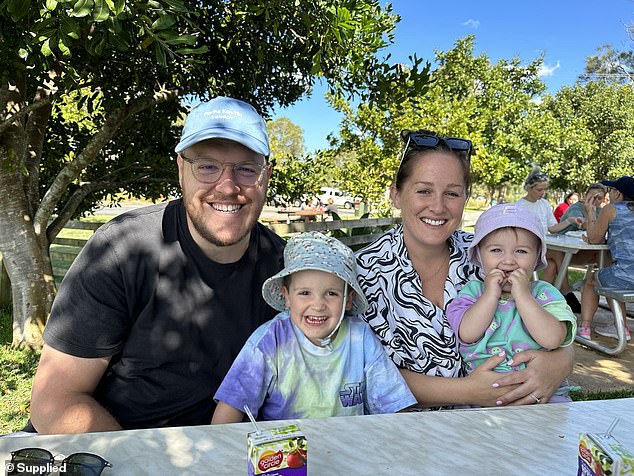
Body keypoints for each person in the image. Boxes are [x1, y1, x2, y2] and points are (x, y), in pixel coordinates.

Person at [28, 96, 286, 433]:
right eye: (207, 166)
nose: (227, 186)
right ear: (181, 169)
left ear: (266, 175)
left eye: (246, 169)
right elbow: (55, 402)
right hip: (107, 450)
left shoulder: (285, 270)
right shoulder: (120, 250)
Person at [355, 130, 574, 408]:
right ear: (396, 195)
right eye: (424, 190)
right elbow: (353, 368)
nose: (437, 206)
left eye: (452, 193)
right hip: (409, 428)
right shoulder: (363, 272)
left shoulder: (489, 253)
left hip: (506, 424)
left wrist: (559, 362)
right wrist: (466, 392)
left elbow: (546, 316)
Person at [211, 232, 416, 423]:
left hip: (351, 449)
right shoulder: (270, 340)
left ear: (348, 300)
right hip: (284, 454)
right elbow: (230, 407)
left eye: (332, 293)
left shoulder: (360, 337)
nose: (318, 305)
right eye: (305, 293)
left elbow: (395, 406)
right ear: (287, 296)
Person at [445, 204, 577, 403]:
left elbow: (552, 339)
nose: (508, 261)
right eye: (496, 250)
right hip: (483, 396)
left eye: (521, 251)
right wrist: (490, 295)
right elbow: (467, 333)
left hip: (541, 394)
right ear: (480, 256)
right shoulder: (473, 293)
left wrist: (524, 296)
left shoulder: (545, 294)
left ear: (536, 257)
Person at [516, 166, 584, 312]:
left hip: (542, 246)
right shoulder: (519, 206)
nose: (542, 193)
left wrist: (570, 220)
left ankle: (541, 299)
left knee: (552, 264)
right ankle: (566, 291)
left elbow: (552, 227)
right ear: (529, 188)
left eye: (544, 189)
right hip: (526, 247)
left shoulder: (544, 204)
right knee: (557, 254)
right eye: (539, 190)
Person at [578, 176, 634, 341]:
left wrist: (590, 212)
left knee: (592, 279)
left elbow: (595, 239)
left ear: (617, 193)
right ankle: (620, 326)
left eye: (611, 190)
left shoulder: (612, 209)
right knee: (609, 274)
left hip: (624, 276)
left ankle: (585, 327)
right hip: (625, 274)